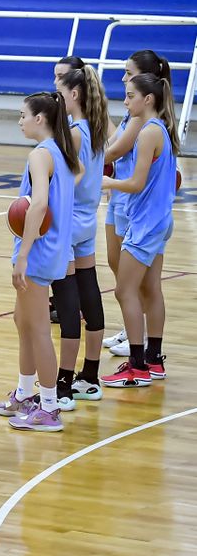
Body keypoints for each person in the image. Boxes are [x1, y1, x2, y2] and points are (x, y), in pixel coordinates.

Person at [0, 92, 79, 432]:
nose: (20, 120)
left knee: (39, 331)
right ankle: (26, 393)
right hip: (55, 250)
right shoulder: (60, 150)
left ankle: (48, 407)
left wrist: (24, 254)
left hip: (40, 253)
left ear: (39, 119)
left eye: (23, 115)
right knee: (23, 322)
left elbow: (39, 205)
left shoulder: (40, 154)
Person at [99, 71, 180, 389]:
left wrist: (107, 181)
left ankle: (136, 366)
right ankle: (154, 359)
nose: (125, 99)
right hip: (159, 220)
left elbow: (135, 183)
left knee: (125, 290)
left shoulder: (148, 132)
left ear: (148, 99)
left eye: (130, 95)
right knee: (150, 289)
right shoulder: (160, 129)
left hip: (146, 223)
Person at [49, 57, 109, 404]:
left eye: (61, 89)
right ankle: (90, 374)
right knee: (89, 290)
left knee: (67, 299)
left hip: (70, 221)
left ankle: (63, 382)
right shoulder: (96, 127)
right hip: (88, 219)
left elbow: (75, 175)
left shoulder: (74, 131)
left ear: (74, 93)